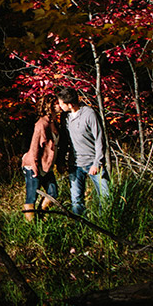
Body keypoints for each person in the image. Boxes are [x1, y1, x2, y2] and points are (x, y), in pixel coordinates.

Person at [56, 85, 109, 217]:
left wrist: (97, 163)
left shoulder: (89, 114)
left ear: (69, 104)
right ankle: (80, 227)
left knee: (105, 197)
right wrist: (61, 161)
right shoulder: (65, 118)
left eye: (61, 103)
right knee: (76, 200)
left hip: (93, 162)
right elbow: (64, 141)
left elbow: (99, 139)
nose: (59, 106)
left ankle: (106, 225)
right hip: (75, 164)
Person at [20, 96, 60, 218]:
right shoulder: (41, 124)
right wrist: (34, 165)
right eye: (57, 103)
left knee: (52, 193)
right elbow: (34, 147)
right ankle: (31, 225)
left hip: (46, 165)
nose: (60, 105)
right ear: (51, 106)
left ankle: (41, 218)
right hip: (33, 165)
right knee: (31, 196)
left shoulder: (54, 123)